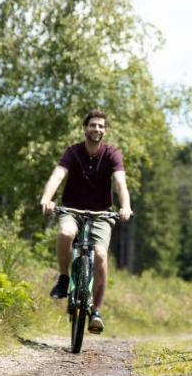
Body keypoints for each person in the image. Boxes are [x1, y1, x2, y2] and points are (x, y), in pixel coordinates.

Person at [40, 110, 132, 335]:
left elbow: (120, 183)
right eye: (93, 125)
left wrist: (125, 206)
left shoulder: (112, 154)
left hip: (101, 214)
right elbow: (57, 176)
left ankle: (97, 311)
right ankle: (64, 279)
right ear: (85, 128)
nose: (97, 129)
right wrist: (46, 199)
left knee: (100, 255)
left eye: (101, 126)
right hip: (72, 210)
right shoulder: (73, 152)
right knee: (65, 234)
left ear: (105, 130)